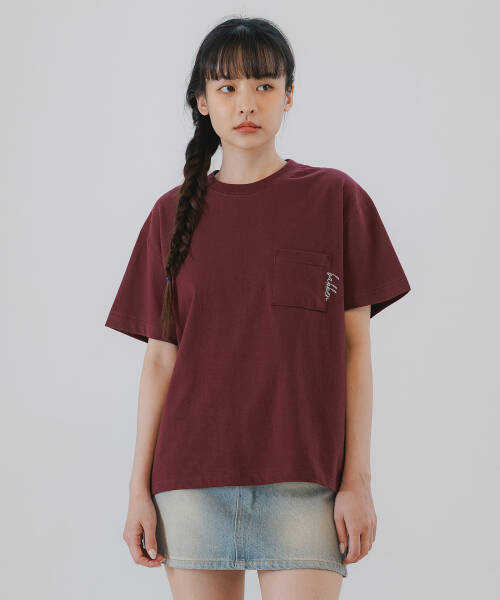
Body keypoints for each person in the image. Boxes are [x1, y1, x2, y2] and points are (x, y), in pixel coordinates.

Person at [104, 16, 411, 600]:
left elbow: (354, 350)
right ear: (203, 102)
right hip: (189, 486)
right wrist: (137, 490)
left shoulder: (335, 199)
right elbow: (161, 362)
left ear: (289, 96)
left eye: (264, 85)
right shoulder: (170, 216)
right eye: (227, 87)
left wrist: (357, 480)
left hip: (305, 486)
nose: (247, 103)